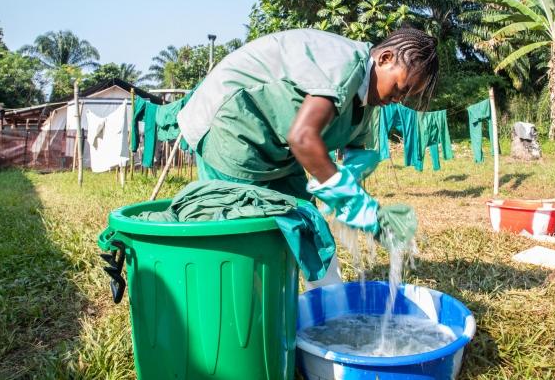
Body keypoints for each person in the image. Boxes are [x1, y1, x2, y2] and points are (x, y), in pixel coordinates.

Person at [177, 27, 438, 283]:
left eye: (407, 96)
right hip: (231, 124)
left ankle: (330, 300)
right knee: (240, 231)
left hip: (276, 145)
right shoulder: (344, 69)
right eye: (400, 88)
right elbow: (303, 138)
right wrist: (350, 198)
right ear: (385, 58)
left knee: (306, 221)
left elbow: (351, 147)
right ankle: (242, 308)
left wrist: (357, 172)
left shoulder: (366, 101)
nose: (399, 99)